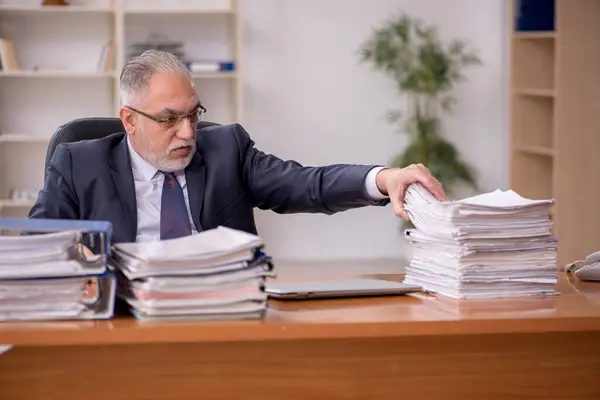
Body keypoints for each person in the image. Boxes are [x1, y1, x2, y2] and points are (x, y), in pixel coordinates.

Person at [28, 50, 447, 246]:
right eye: (169, 118)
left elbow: (306, 184)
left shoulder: (226, 148)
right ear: (129, 119)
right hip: (120, 326)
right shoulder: (78, 162)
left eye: (193, 114)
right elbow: (36, 248)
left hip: (221, 316)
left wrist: (385, 177)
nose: (188, 133)